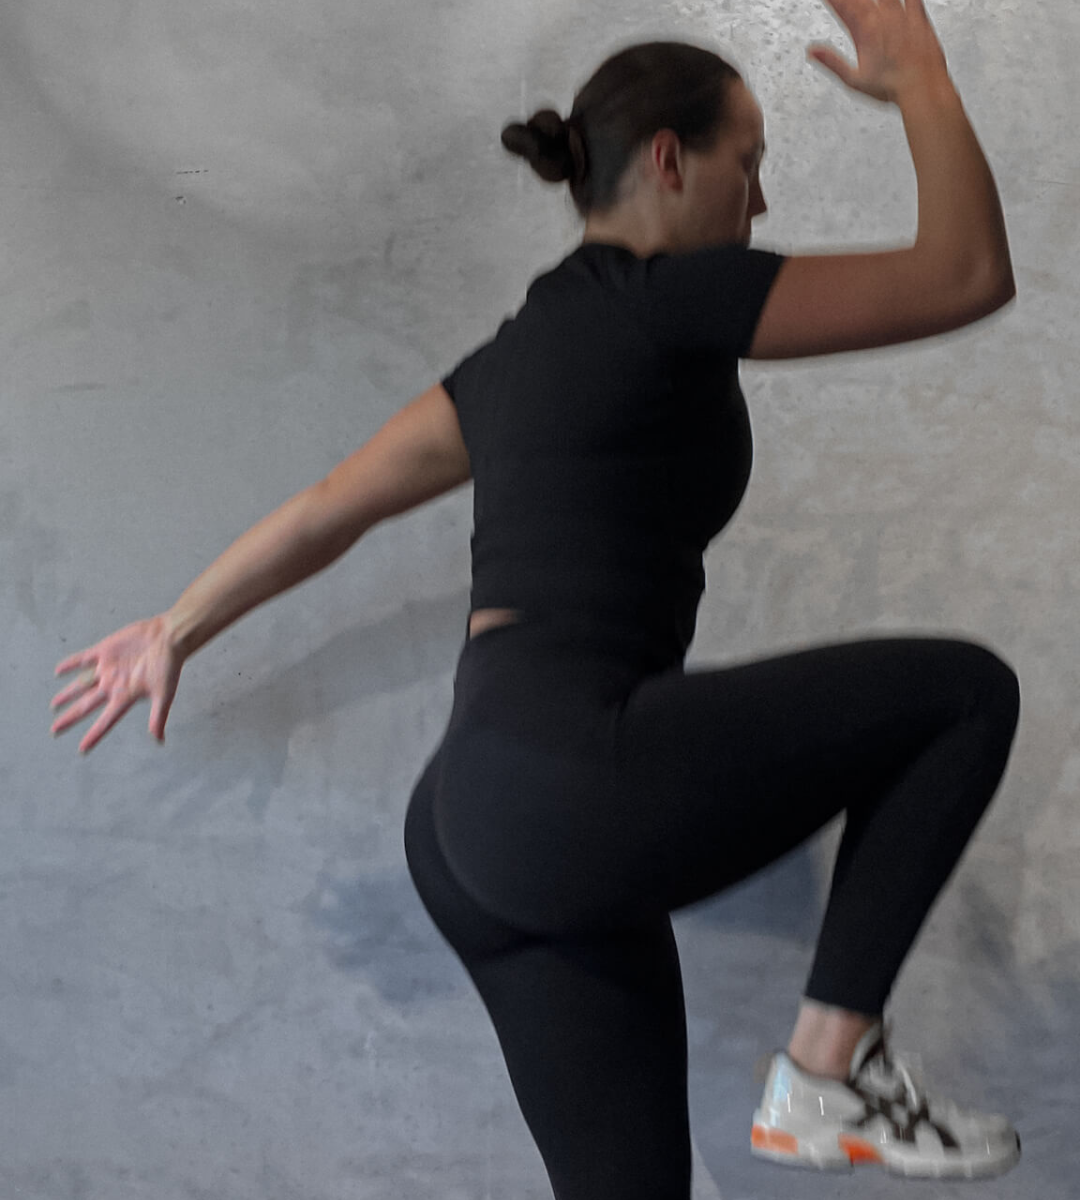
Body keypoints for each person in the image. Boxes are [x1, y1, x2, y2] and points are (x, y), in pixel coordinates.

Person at [50, 0, 1023, 1195]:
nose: (760, 202)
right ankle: (832, 1069)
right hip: (570, 772)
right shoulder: (671, 296)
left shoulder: (513, 358)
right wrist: (921, 77)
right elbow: (964, 273)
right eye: (749, 164)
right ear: (670, 161)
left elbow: (326, 508)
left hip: (469, 818)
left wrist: (174, 627)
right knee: (965, 697)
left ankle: (826, 1074)